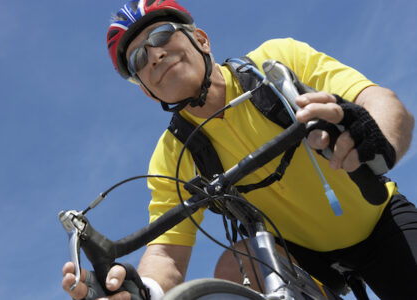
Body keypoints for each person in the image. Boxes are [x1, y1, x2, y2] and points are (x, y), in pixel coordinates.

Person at [62, 0, 416, 299]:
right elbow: (167, 253)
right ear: (146, 90)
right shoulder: (172, 156)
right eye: (138, 59)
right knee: (237, 262)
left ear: (201, 40)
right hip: (297, 256)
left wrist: (377, 137)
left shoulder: (275, 61)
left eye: (162, 35)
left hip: (380, 223)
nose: (153, 55)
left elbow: (379, 100)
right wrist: (146, 291)